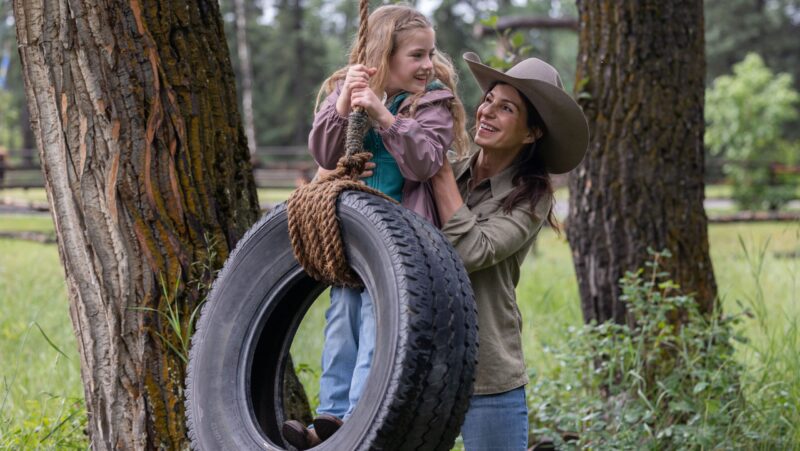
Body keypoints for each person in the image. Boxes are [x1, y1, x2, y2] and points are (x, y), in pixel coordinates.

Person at [281, 4, 469, 449]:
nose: (427, 65)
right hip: (351, 237)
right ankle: (331, 415)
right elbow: (326, 156)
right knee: (342, 318)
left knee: (376, 321)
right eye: (416, 56)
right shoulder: (348, 92)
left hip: (405, 241)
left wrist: (385, 117)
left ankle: (362, 417)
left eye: (430, 54)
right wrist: (347, 103)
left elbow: (424, 162)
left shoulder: (433, 102)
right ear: (384, 56)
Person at [430, 52, 589, 450]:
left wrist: (435, 171)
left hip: (487, 371)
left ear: (531, 133)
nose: (487, 112)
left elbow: (470, 250)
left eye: (506, 108)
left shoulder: (530, 200)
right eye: (488, 100)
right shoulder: (450, 171)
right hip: (421, 365)